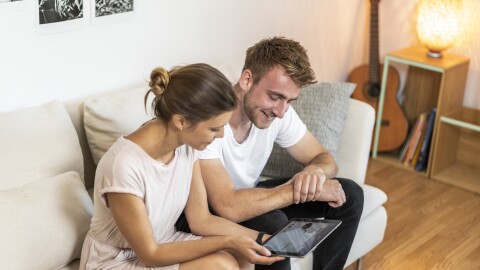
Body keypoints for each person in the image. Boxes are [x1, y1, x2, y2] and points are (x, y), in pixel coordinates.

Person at [181, 37, 365, 270]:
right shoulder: (211, 120)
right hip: (211, 209)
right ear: (247, 79)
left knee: (349, 195)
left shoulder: (278, 112)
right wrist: (293, 190)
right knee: (274, 224)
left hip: (248, 195)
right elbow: (226, 205)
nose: (281, 111)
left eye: (289, 100)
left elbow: (323, 158)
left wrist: (314, 174)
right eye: (275, 96)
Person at [79, 63, 284, 270]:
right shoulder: (123, 166)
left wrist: (264, 239)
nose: (221, 135)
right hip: (117, 260)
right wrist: (228, 240)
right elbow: (150, 254)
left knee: (244, 255)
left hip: (165, 241)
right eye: (214, 128)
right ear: (181, 122)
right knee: (222, 264)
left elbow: (200, 219)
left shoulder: (187, 146)